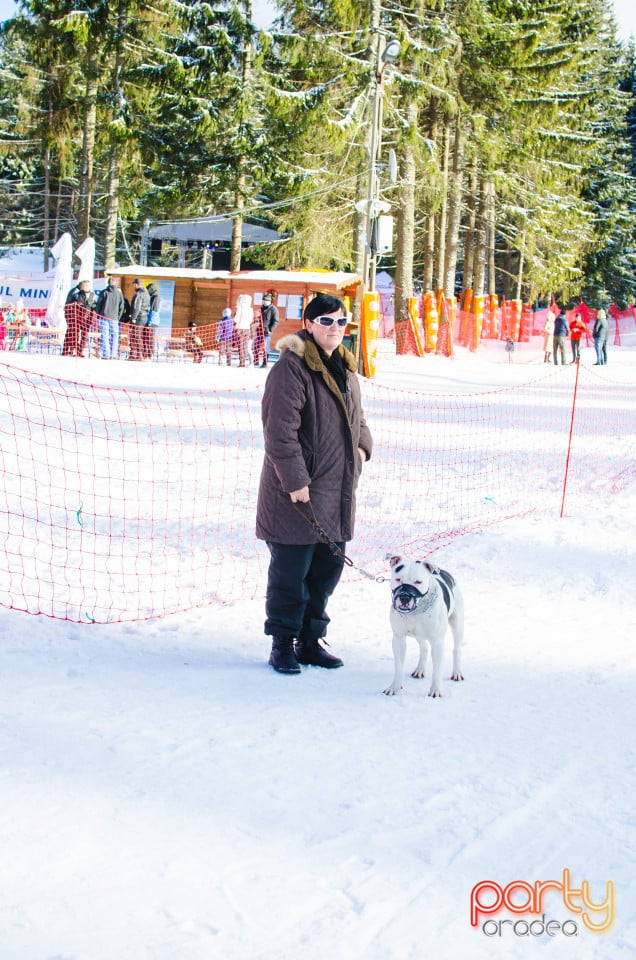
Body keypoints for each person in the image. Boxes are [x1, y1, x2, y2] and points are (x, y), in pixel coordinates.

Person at [256, 292, 373, 675]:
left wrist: (362, 452)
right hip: (297, 493)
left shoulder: (345, 366)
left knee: (325, 573)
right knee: (291, 574)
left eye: (341, 321)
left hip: (336, 491)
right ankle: (283, 644)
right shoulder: (291, 368)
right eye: (326, 321)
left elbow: (358, 420)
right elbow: (279, 432)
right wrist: (294, 481)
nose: (335, 328)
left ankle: (309, 640)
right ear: (308, 325)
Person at [62, 279, 97, 356]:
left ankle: (79, 351)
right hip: (76, 318)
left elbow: (95, 307)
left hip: (87, 319)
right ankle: (69, 350)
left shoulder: (93, 296)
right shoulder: (76, 294)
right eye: (85, 285)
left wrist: (93, 315)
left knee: (84, 336)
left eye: (87, 285)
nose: (86, 287)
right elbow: (68, 305)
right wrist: (69, 316)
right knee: (73, 334)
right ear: (82, 286)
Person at [96, 277, 125, 360]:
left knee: (105, 336)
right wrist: (118, 316)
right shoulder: (119, 294)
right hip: (114, 318)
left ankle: (106, 354)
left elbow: (99, 304)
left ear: (108, 283)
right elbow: (122, 307)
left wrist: (98, 315)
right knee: (115, 336)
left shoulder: (104, 292)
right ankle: (113, 354)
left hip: (103, 316)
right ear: (115, 283)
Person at [128, 278, 150, 361]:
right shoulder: (146, 293)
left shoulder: (138, 294)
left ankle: (137, 354)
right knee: (139, 336)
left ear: (136, 284)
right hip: (144, 317)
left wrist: (133, 318)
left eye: (134, 284)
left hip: (138, 317)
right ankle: (138, 354)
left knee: (135, 336)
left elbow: (136, 307)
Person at [259, 293, 279, 367]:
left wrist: (270, 329)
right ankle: (256, 360)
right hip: (259, 330)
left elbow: (276, 321)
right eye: (263, 300)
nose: (264, 302)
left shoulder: (273, 309)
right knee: (256, 346)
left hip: (267, 332)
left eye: (266, 300)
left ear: (270, 301)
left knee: (266, 347)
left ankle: (265, 362)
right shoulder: (261, 308)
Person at [234, 294, 253, 367]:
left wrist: (235, 321)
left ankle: (241, 362)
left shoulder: (240, 307)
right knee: (245, 346)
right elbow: (250, 320)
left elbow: (236, 318)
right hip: (247, 329)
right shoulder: (250, 309)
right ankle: (244, 362)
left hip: (240, 329)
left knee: (240, 346)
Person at [143, 282, 161, 360]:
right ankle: (147, 354)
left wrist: (150, 322)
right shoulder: (153, 297)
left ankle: (149, 355)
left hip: (152, 321)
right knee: (147, 338)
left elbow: (154, 310)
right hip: (151, 321)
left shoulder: (155, 297)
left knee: (149, 339)